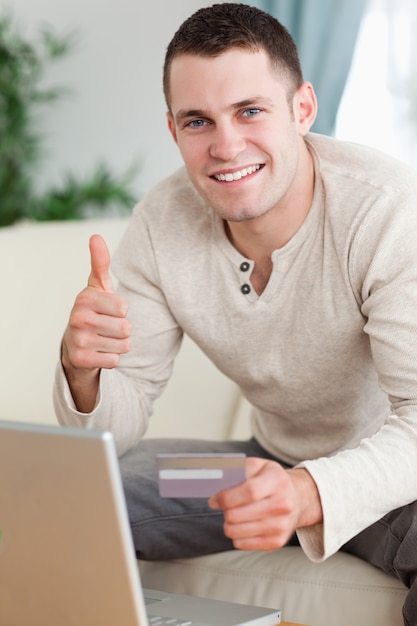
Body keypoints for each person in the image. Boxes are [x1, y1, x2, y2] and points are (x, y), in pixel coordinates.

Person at [53, 3, 417, 623]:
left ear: (302, 109)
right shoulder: (162, 221)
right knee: (63, 491)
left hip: (390, 475)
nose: (226, 145)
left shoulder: (385, 212)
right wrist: (83, 373)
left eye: (250, 111)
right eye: (199, 120)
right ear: (173, 131)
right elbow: (114, 423)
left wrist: (307, 493)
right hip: (259, 464)